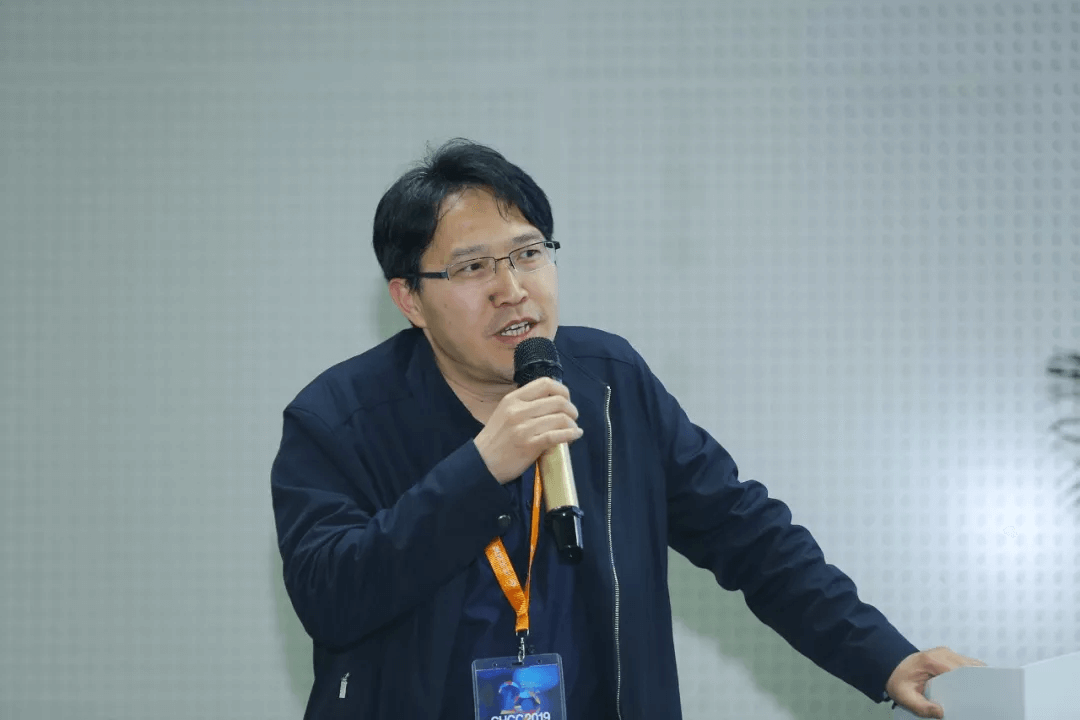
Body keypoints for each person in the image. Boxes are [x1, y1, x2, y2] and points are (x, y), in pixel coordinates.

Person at [270, 139, 983, 720]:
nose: (512, 288)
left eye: (528, 253)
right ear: (410, 299)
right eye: (473, 267)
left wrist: (883, 657)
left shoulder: (609, 384)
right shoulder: (336, 418)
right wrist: (479, 470)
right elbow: (331, 599)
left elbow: (748, 534)